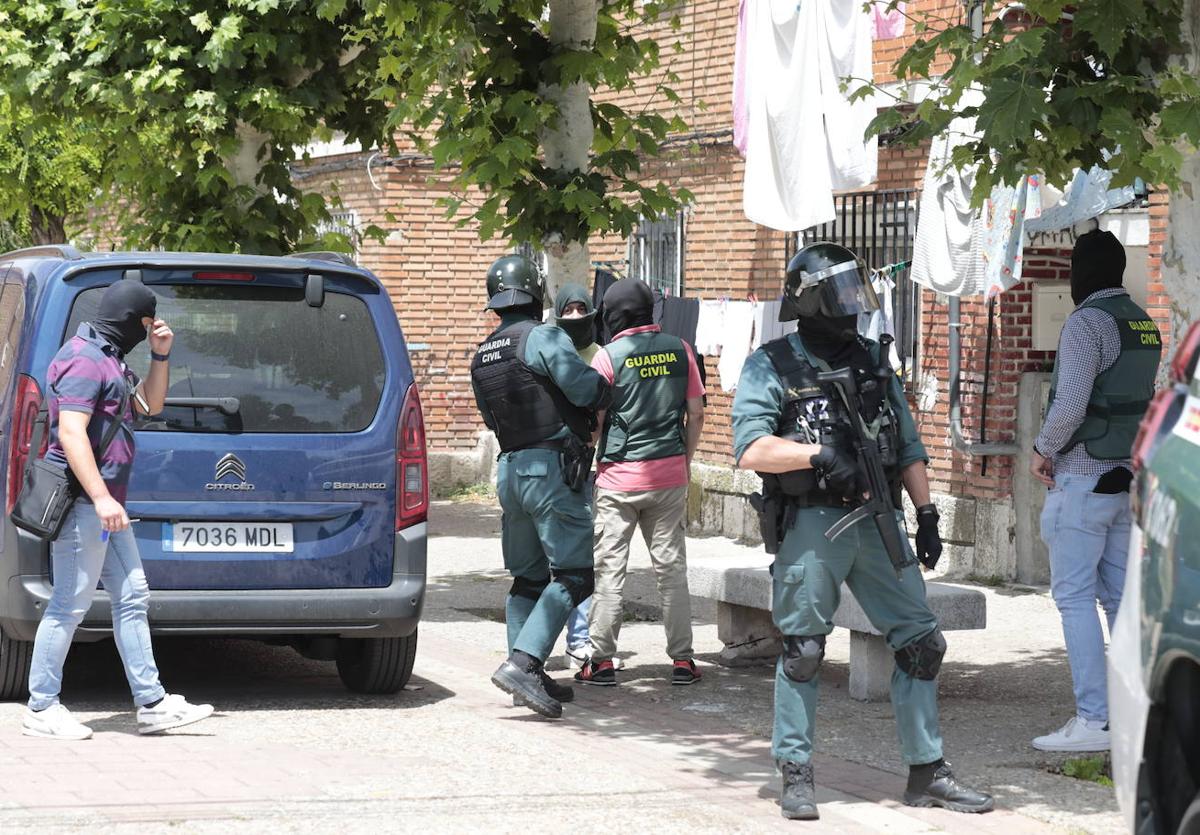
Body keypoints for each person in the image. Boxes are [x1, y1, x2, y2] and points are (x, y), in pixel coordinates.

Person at [731, 243, 993, 820]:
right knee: (803, 650)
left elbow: (906, 444)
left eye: (856, 292)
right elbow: (751, 450)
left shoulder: (875, 360)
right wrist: (818, 455)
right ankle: (796, 773)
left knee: (922, 643)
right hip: (814, 525)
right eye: (841, 294)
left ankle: (927, 771)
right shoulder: (771, 363)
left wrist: (926, 514)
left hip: (880, 521)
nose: (853, 306)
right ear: (811, 300)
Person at [23, 280, 214, 740]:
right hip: (85, 504)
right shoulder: (85, 361)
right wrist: (103, 497)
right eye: (146, 324)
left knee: (132, 596)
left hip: (105, 507)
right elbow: (71, 433)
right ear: (132, 319)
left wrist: (161, 355)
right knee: (69, 603)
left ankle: (151, 703)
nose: (147, 331)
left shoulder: (108, 356)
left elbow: (149, 404)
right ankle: (41, 707)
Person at [1030, 229, 1161, 752]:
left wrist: (1042, 448)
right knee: (1123, 600)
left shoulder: (1087, 322)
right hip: (1125, 478)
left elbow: (1070, 406)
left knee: (1075, 599)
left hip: (1083, 476)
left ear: (1080, 273)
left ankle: (1094, 721)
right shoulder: (1141, 321)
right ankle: (1136, 713)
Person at [470, 257, 610, 718]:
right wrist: (609, 387)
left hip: (509, 472)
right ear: (535, 294)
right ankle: (525, 663)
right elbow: (583, 388)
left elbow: (492, 420)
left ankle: (525, 671)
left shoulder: (483, 355)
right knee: (575, 574)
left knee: (528, 577)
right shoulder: (543, 336)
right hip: (550, 469)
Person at [575, 278, 706, 687]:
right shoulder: (682, 349)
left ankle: (601, 662)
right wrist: (683, 461)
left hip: (618, 480)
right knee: (671, 570)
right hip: (668, 477)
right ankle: (683, 661)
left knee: (611, 570)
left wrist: (586, 454)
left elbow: (595, 426)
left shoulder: (608, 357)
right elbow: (697, 414)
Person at [553, 284, 601, 670]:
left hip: (586, 468)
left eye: (579, 309)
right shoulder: (548, 349)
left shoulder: (600, 356)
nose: (573, 316)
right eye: (566, 309)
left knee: (580, 557)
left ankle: (579, 639)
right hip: (549, 466)